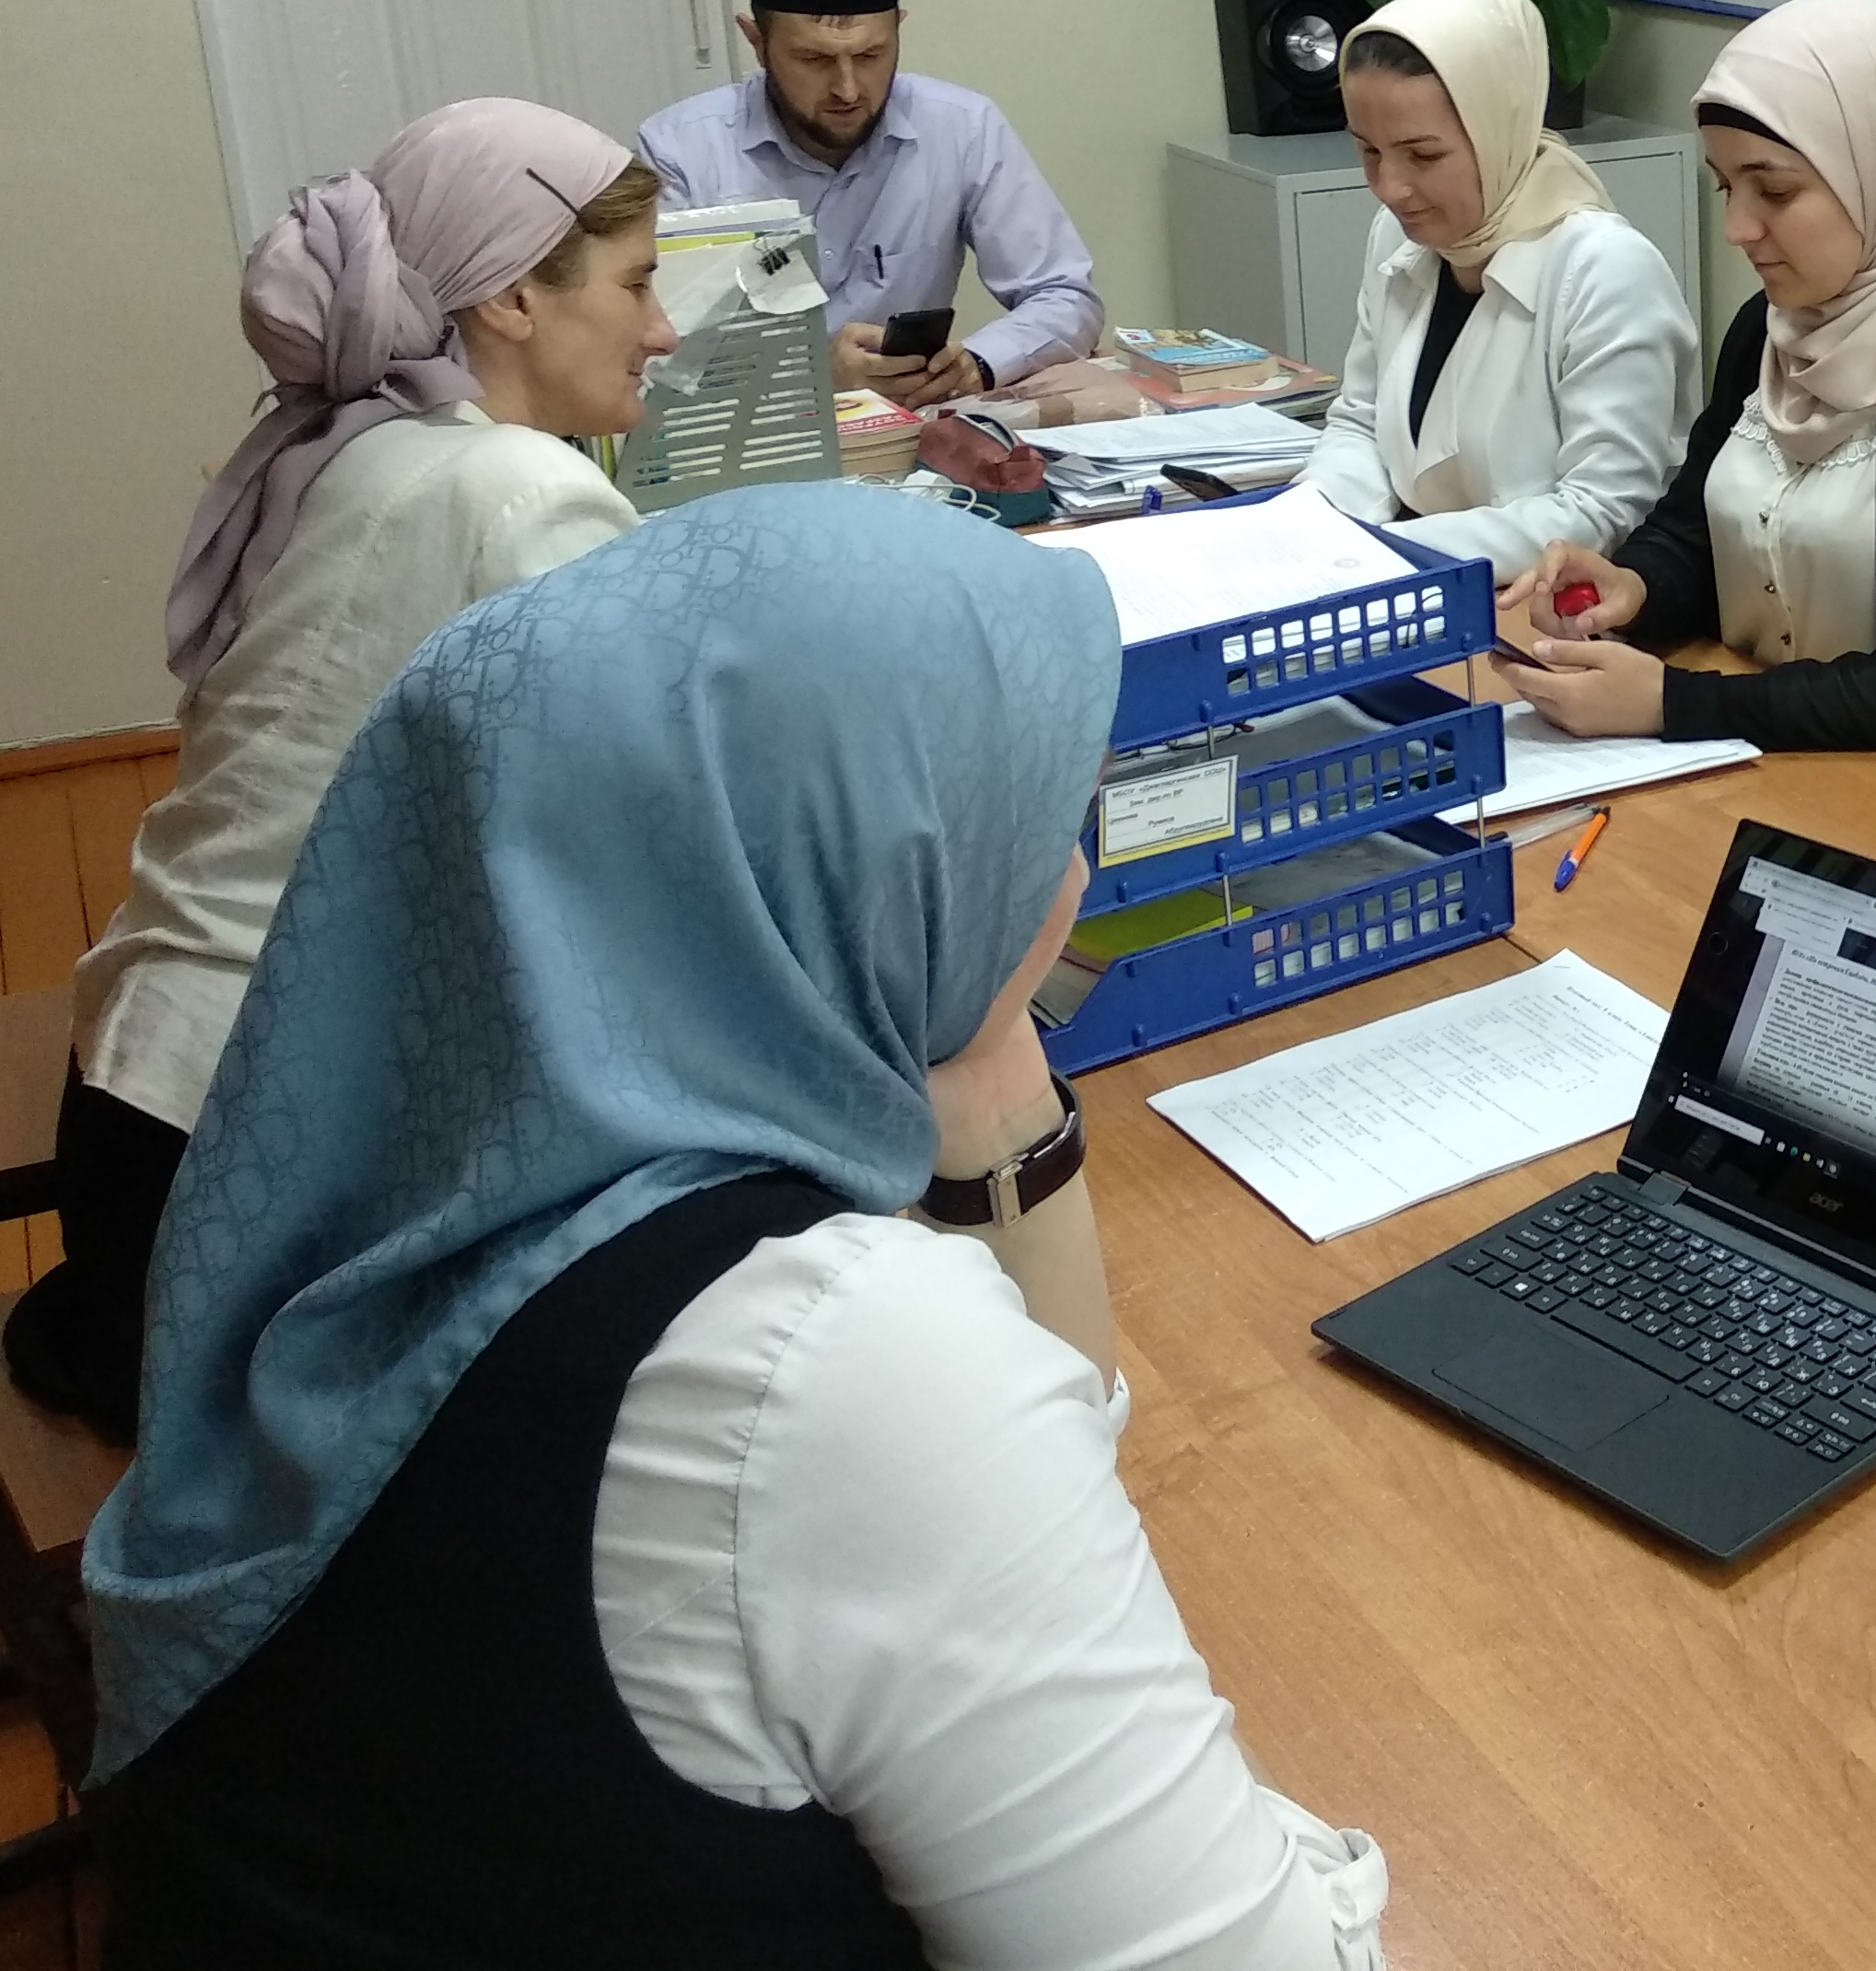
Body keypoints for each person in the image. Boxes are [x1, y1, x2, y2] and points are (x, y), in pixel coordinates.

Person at [86, 486, 1390, 1968]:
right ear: (878, 860)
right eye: (1036, 817)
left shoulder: (400, 1141)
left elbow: (1053, 1449)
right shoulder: (832, 1362)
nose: (1070, 873)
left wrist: (990, 1082)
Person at [5, 101, 672, 1443]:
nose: (662, 330)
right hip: (253, 1181)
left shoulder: (349, 449)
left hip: (143, 1115)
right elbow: (644, 827)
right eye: (639, 283)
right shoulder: (517, 493)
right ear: (511, 301)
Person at [1497, 0, 1876, 813]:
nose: (1738, 228)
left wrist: (1674, 704)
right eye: (1725, 186)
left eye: (1776, 191)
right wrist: (1634, 584)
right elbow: (1696, 531)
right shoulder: (1773, 325)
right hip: (1786, 763)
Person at [1297, 0, 1695, 568]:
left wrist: (1380, 556)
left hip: (1545, 601)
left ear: (1496, 132)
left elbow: (1603, 511)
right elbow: (1361, 424)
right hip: (1415, 574)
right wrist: (1304, 527)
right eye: (1368, 150)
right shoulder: (1399, 234)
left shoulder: (1605, 270)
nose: (1390, 188)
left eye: (1423, 155)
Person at [638, 0, 1101, 406]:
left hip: (913, 421)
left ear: (898, 27)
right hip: (756, 426)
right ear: (756, 41)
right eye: (814, 60)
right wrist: (810, 376)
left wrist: (978, 363)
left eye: (870, 55)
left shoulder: (962, 127)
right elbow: (649, 354)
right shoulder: (681, 150)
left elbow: (1066, 295)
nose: (848, 89)